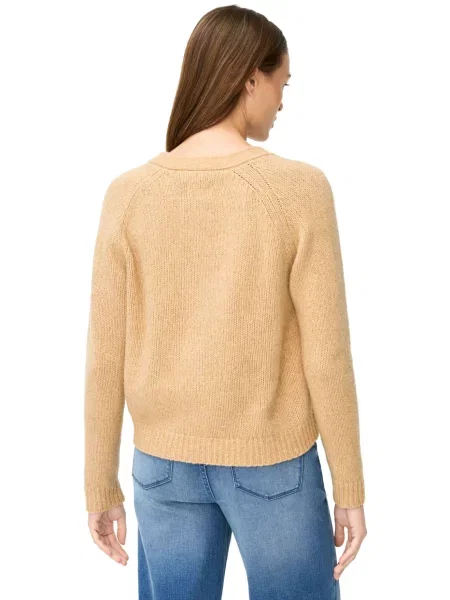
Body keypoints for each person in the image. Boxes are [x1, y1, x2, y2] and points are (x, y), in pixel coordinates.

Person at [84, 5, 367, 599]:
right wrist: (350, 487)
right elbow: (327, 354)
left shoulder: (128, 195)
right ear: (250, 79)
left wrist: (99, 486)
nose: (282, 100)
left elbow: (104, 356)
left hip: (161, 466)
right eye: (282, 83)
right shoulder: (299, 189)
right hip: (274, 463)